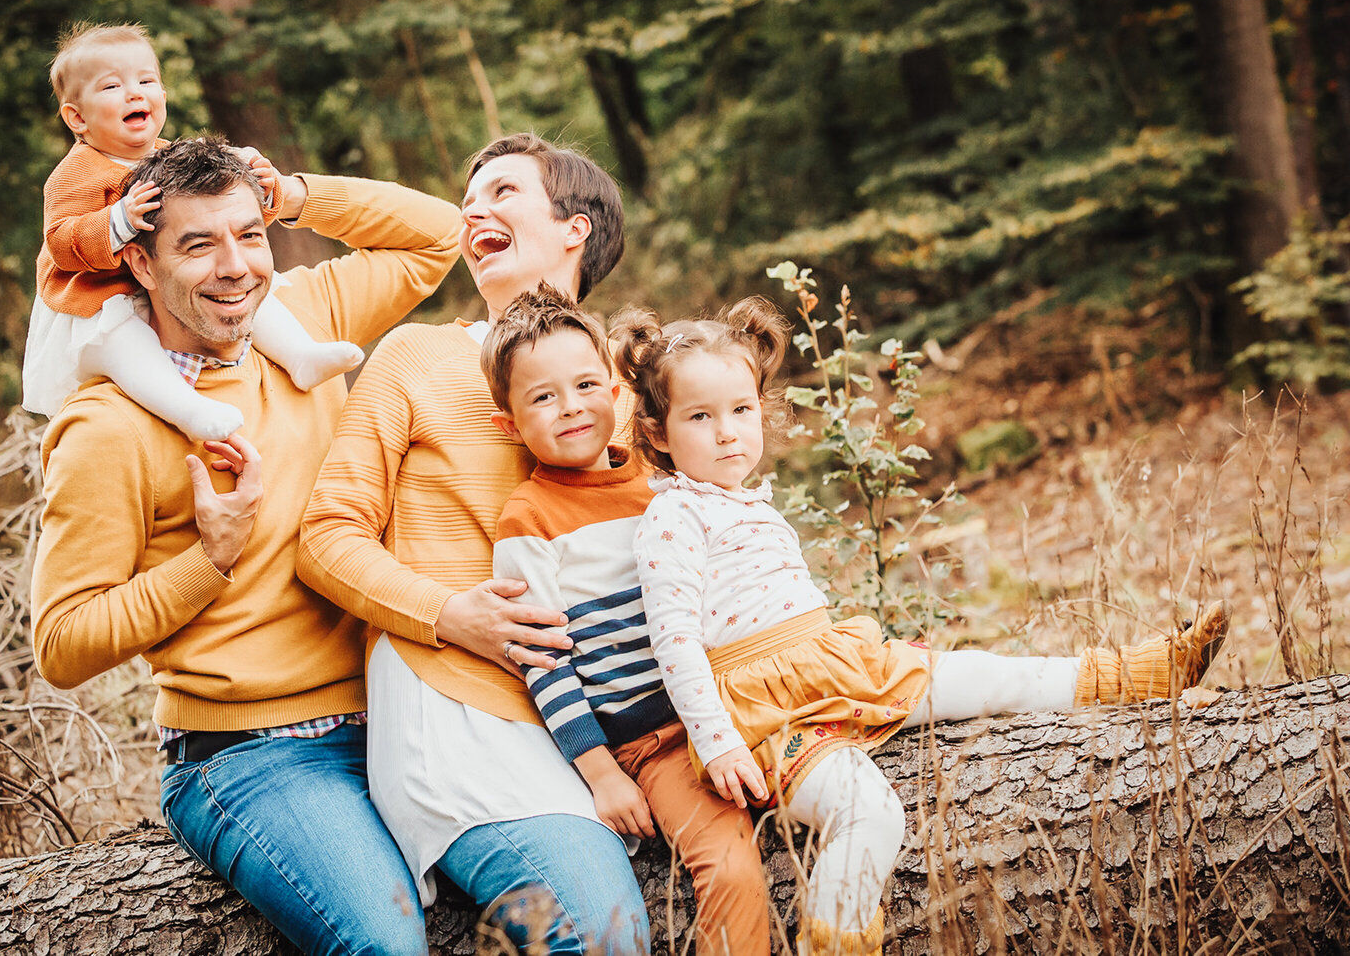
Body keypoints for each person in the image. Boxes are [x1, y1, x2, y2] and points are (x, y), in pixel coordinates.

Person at [610, 296, 1230, 956]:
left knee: (983, 674)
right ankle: (836, 940)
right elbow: (673, 639)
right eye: (701, 417)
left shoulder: (743, 500)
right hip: (768, 715)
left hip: (832, 662)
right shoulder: (673, 517)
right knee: (869, 809)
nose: (728, 431)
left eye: (740, 409)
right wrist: (719, 742)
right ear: (657, 433)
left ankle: (1141, 674)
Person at [29, 136, 460, 956]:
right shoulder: (107, 428)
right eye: (197, 244)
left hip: (404, 712)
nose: (237, 267)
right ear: (143, 266)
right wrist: (208, 560)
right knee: (388, 946)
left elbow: (438, 233)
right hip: (248, 756)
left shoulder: (304, 318)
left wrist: (293, 192)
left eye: (249, 234)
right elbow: (61, 644)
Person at [298, 134, 650, 954]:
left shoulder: (628, 383)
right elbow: (325, 537)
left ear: (576, 229)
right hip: (455, 712)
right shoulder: (417, 355)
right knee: (598, 931)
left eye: (502, 192)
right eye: (469, 196)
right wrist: (449, 611)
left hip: (606, 719)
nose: (473, 209)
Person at [480, 284, 771, 956]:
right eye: (543, 396)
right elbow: (544, 660)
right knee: (730, 868)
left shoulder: (663, 479)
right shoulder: (529, 519)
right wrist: (603, 772)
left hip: (740, 696)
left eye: (585, 383)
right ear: (508, 422)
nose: (572, 405)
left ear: (617, 389)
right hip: (658, 738)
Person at [22, 21, 362, 440]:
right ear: (77, 117)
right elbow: (60, 241)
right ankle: (188, 410)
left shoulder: (169, 156)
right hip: (98, 294)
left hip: (163, 282)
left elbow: (224, 222)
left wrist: (263, 189)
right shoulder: (75, 174)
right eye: (112, 88)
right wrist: (117, 222)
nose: (135, 93)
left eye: (147, 80)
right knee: (123, 344)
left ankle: (301, 356)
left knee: (255, 289)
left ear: (162, 96)